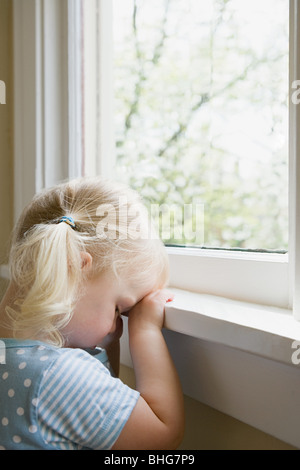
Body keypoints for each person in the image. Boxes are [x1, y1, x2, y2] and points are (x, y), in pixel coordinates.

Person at [0, 177, 184, 450]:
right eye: (118, 308)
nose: (114, 327)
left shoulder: (16, 361)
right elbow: (161, 435)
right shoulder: (57, 375)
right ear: (74, 269)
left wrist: (108, 348)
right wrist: (144, 331)